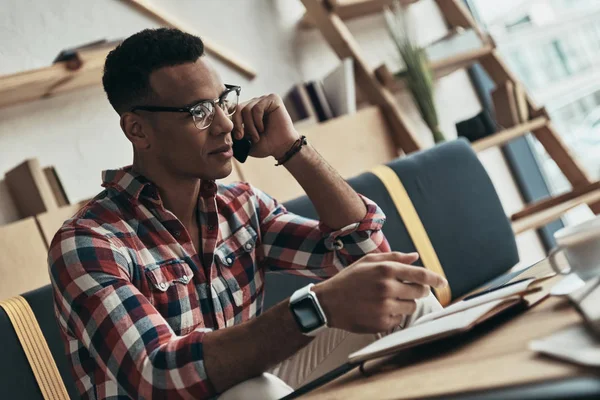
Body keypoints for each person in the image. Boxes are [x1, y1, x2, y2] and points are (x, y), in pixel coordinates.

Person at [48, 28, 447, 400]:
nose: (224, 123)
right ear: (138, 131)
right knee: (253, 392)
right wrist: (316, 307)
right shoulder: (88, 243)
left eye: (224, 101)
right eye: (199, 112)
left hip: (255, 385)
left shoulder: (241, 206)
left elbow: (367, 258)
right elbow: (159, 375)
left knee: (410, 304)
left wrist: (292, 148)